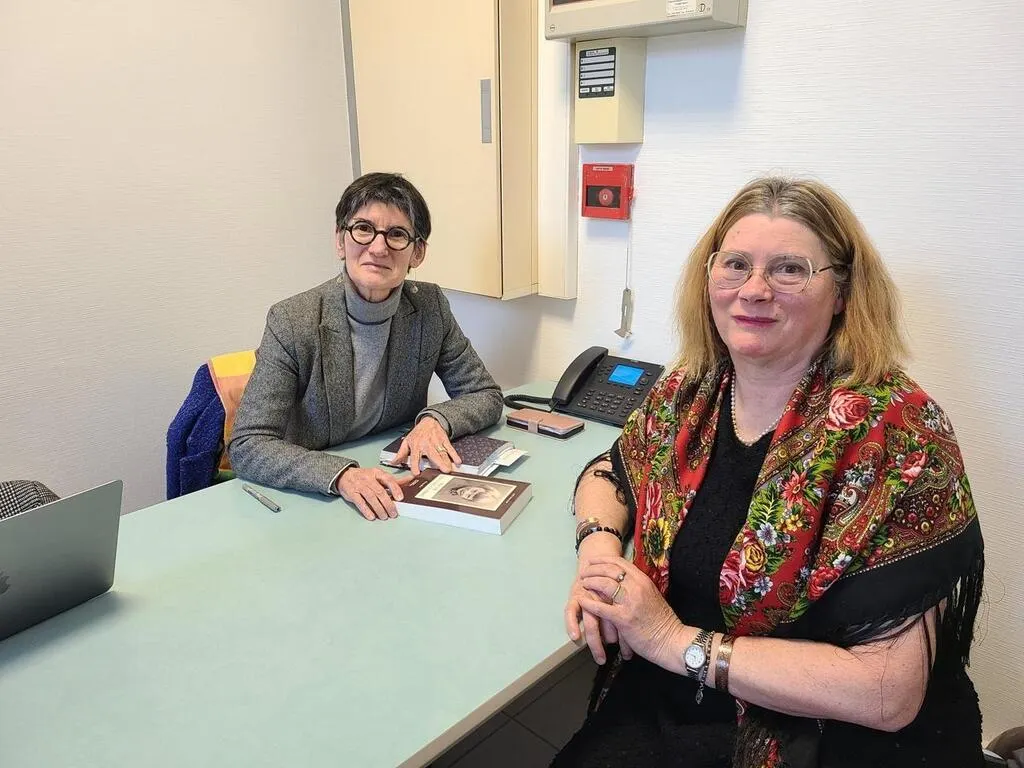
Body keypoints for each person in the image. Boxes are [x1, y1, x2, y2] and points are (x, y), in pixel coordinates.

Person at [557, 177, 985, 768]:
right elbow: (610, 473)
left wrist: (672, 641)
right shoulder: (690, 391)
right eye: (736, 264)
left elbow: (887, 693)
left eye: (789, 270)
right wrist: (599, 555)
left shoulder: (897, 431)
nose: (754, 290)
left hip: (832, 738)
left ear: (842, 293)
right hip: (683, 699)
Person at [230, 172, 503, 521]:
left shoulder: (429, 307)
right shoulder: (292, 320)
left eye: (397, 234)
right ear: (340, 241)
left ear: (417, 252)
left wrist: (437, 420)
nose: (378, 248)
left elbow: (485, 394)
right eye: (363, 229)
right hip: (313, 498)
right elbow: (248, 444)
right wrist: (341, 475)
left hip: (394, 484)